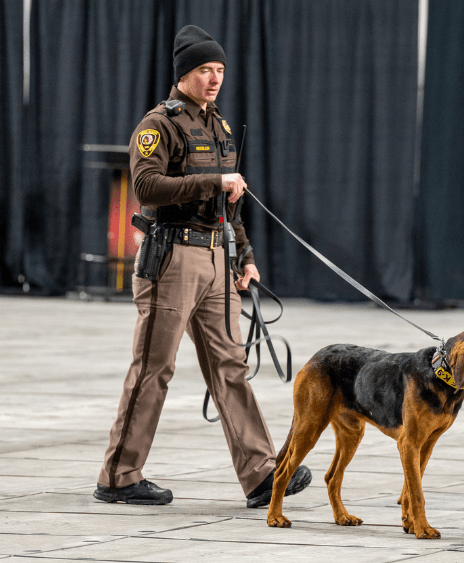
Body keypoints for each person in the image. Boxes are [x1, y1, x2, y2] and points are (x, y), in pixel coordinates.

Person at [94, 25, 311, 507]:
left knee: (231, 365)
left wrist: (246, 257)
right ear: (183, 75)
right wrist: (214, 180)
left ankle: (260, 474)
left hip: (217, 257)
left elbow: (229, 204)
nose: (213, 79)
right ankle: (118, 475)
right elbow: (147, 187)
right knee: (155, 368)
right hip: (171, 257)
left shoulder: (220, 126)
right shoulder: (159, 125)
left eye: (219, 70)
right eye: (203, 70)